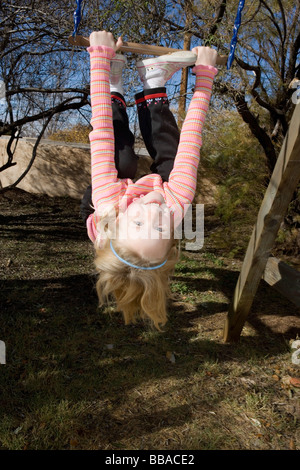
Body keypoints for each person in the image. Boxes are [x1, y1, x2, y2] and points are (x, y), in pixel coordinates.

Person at [84, 31, 218, 330]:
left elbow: (101, 130)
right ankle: (154, 80)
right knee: (174, 163)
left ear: (116, 223)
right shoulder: (175, 205)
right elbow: (192, 141)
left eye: (140, 223)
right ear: (171, 233)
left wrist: (100, 60)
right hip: (152, 195)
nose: (152, 213)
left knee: (122, 160)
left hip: (111, 200)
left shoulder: (108, 203)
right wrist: (205, 76)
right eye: (160, 227)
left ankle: (115, 84)